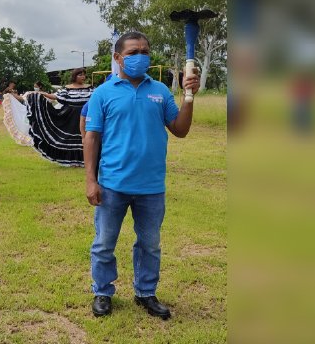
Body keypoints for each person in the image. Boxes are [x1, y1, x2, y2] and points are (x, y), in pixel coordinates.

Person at [83, 31, 200, 319]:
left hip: (151, 186)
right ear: (118, 58)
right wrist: (90, 180)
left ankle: (145, 293)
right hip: (112, 185)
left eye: (145, 51)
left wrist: (189, 98)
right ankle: (102, 291)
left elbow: (180, 129)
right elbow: (91, 138)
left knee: (149, 244)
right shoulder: (103, 93)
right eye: (134, 52)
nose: (141, 57)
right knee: (104, 243)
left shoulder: (159, 90)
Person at [24, 68, 93, 166]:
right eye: (80, 75)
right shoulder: (68, 88)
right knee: (68, 138)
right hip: (69, 117)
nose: (83, 77)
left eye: (84, 75)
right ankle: (71, 160)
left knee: (87, 137)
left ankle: (87, 159)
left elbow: (98, 98)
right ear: (74, 76)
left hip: (87, 117)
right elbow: (55, 96)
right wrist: (40, 94)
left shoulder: (90, 88)